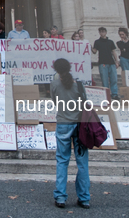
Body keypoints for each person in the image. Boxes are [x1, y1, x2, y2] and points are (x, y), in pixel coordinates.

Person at [51, 58, 90, 210]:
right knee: (82, 163)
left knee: (62, 160)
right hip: (79, 125)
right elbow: (85, 102)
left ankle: (60, 196)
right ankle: (84, 198)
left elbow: (55, 101)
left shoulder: (54, 84)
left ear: (56, 69)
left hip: (63, 123)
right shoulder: (79, 85)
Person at [92, 27, 120, 100]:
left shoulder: (110, 42)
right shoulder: (97, 42)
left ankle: (114, 94)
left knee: (114, 79)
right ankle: (106, 94)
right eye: (100, 32)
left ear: (106, 32)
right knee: (104, 80)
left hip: (111, 62)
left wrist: (116, 61)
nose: (102, 33)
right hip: (102, 63)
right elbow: (94, 51)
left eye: (103, 32)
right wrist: (90, 47)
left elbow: (113, 51)